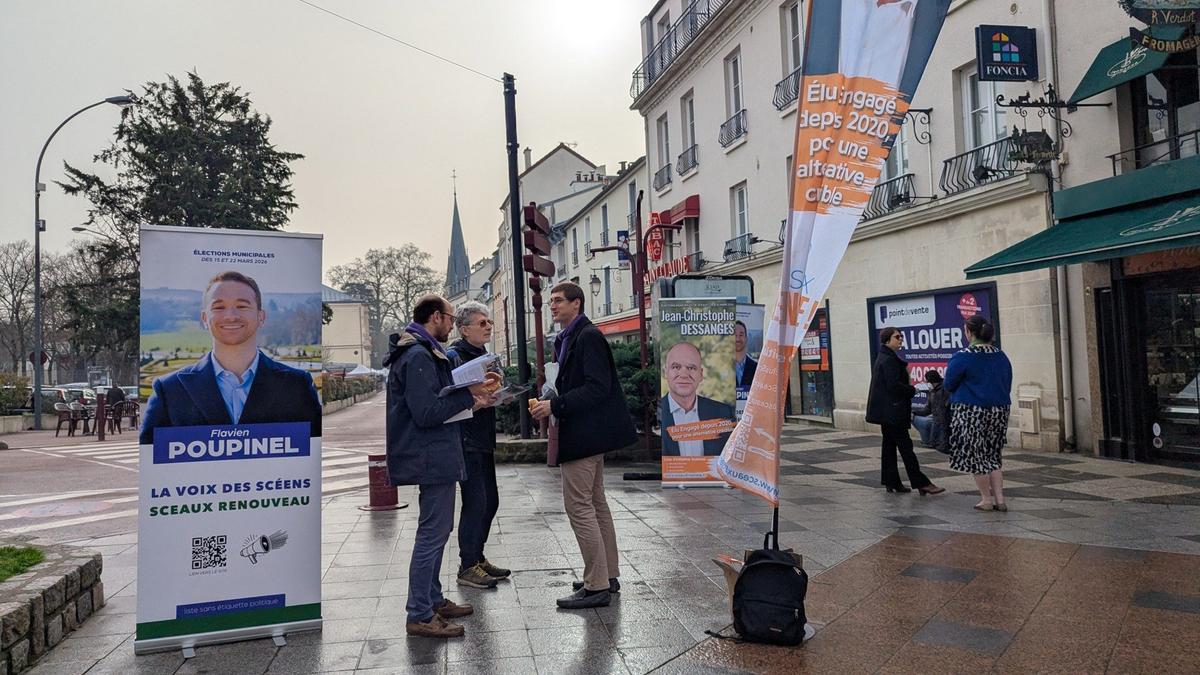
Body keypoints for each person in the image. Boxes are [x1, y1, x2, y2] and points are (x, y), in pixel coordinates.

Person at [383, 294, 494, 638]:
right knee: (432, 534)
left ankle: (432, 600)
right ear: (435, 317)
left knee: (438, 530)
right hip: (429, 456)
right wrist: (468, 394)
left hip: (435, 453)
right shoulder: (417, 354)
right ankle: (419, 612)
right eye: (449, 317)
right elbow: (428, 411)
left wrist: (472, 401)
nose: (452, 324)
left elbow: (436, 401)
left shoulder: (422, 350)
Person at [530, 282, 636, 609]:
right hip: (590, 433)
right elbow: (576, 384)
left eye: (559, 301)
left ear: (577, 304)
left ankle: (596, 585)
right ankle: (608, 574)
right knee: (595, 502)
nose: (553, 306)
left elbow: (597, 388)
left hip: (584, 435)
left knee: (579, 507)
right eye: (550, 302)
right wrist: (551, 399)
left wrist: (555, 406)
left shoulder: (587, 336)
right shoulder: (571, 337)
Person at [139, 270, 322, 445]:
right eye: (219, 307)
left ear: (261, 316)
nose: (231, 316)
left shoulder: (298, 385)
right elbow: (152, 463)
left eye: (242, 306)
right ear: (204, 318)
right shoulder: (169, 391)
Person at [445, 301, 510, 590]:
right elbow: (452, 397)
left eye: (489, 323)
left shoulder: (485, 355)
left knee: (491, 500)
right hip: (466, 438)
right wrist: (475, 401)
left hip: (482, 436)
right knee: (476, 502)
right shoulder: (455, 357)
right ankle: (467, 565)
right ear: (464, 328)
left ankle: (478, 557)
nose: (488, 327)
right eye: (482, 323)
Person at [945, 315, 1012, 512]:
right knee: (994, 454)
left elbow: (949, 383)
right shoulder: (1000, 355)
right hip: (1000, 409)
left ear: (969, 332)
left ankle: (986, 499)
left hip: (971, 410)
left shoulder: (964, 355)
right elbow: (1007, 382)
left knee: (977, 456)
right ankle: (1000, 499)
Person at [865, 327, 944, 495]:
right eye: (897, 337)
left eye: (901, 336)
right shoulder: (889, 360)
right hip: (893, 412)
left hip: (887, 412)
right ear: (887, 340)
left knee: (889, 446)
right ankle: (921, 483)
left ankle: (891, 481)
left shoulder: (885, 357)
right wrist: (912, 390)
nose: (901, 339)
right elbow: (893, 386)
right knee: (906, 447)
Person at [659, 342, 735, 457]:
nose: (684, 374)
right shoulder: (657, 410)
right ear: (666, 372)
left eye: (691, 368)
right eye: (676, 367)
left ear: (700, 374)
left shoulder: (722, 413)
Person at [911, 370, 949, 452]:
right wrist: (914, 412)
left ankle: (931, 441)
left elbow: (933, 411)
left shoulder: (942, 391)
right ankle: (932, 441)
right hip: (937, 421)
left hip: (943, 423)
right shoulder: (934, 391)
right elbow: (928, 410)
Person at [734, 321, 758, 389]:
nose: (737, 339)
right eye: (734, 335)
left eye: (741, 335)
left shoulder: (756, 368)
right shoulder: (724, 367)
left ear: (746, 338)